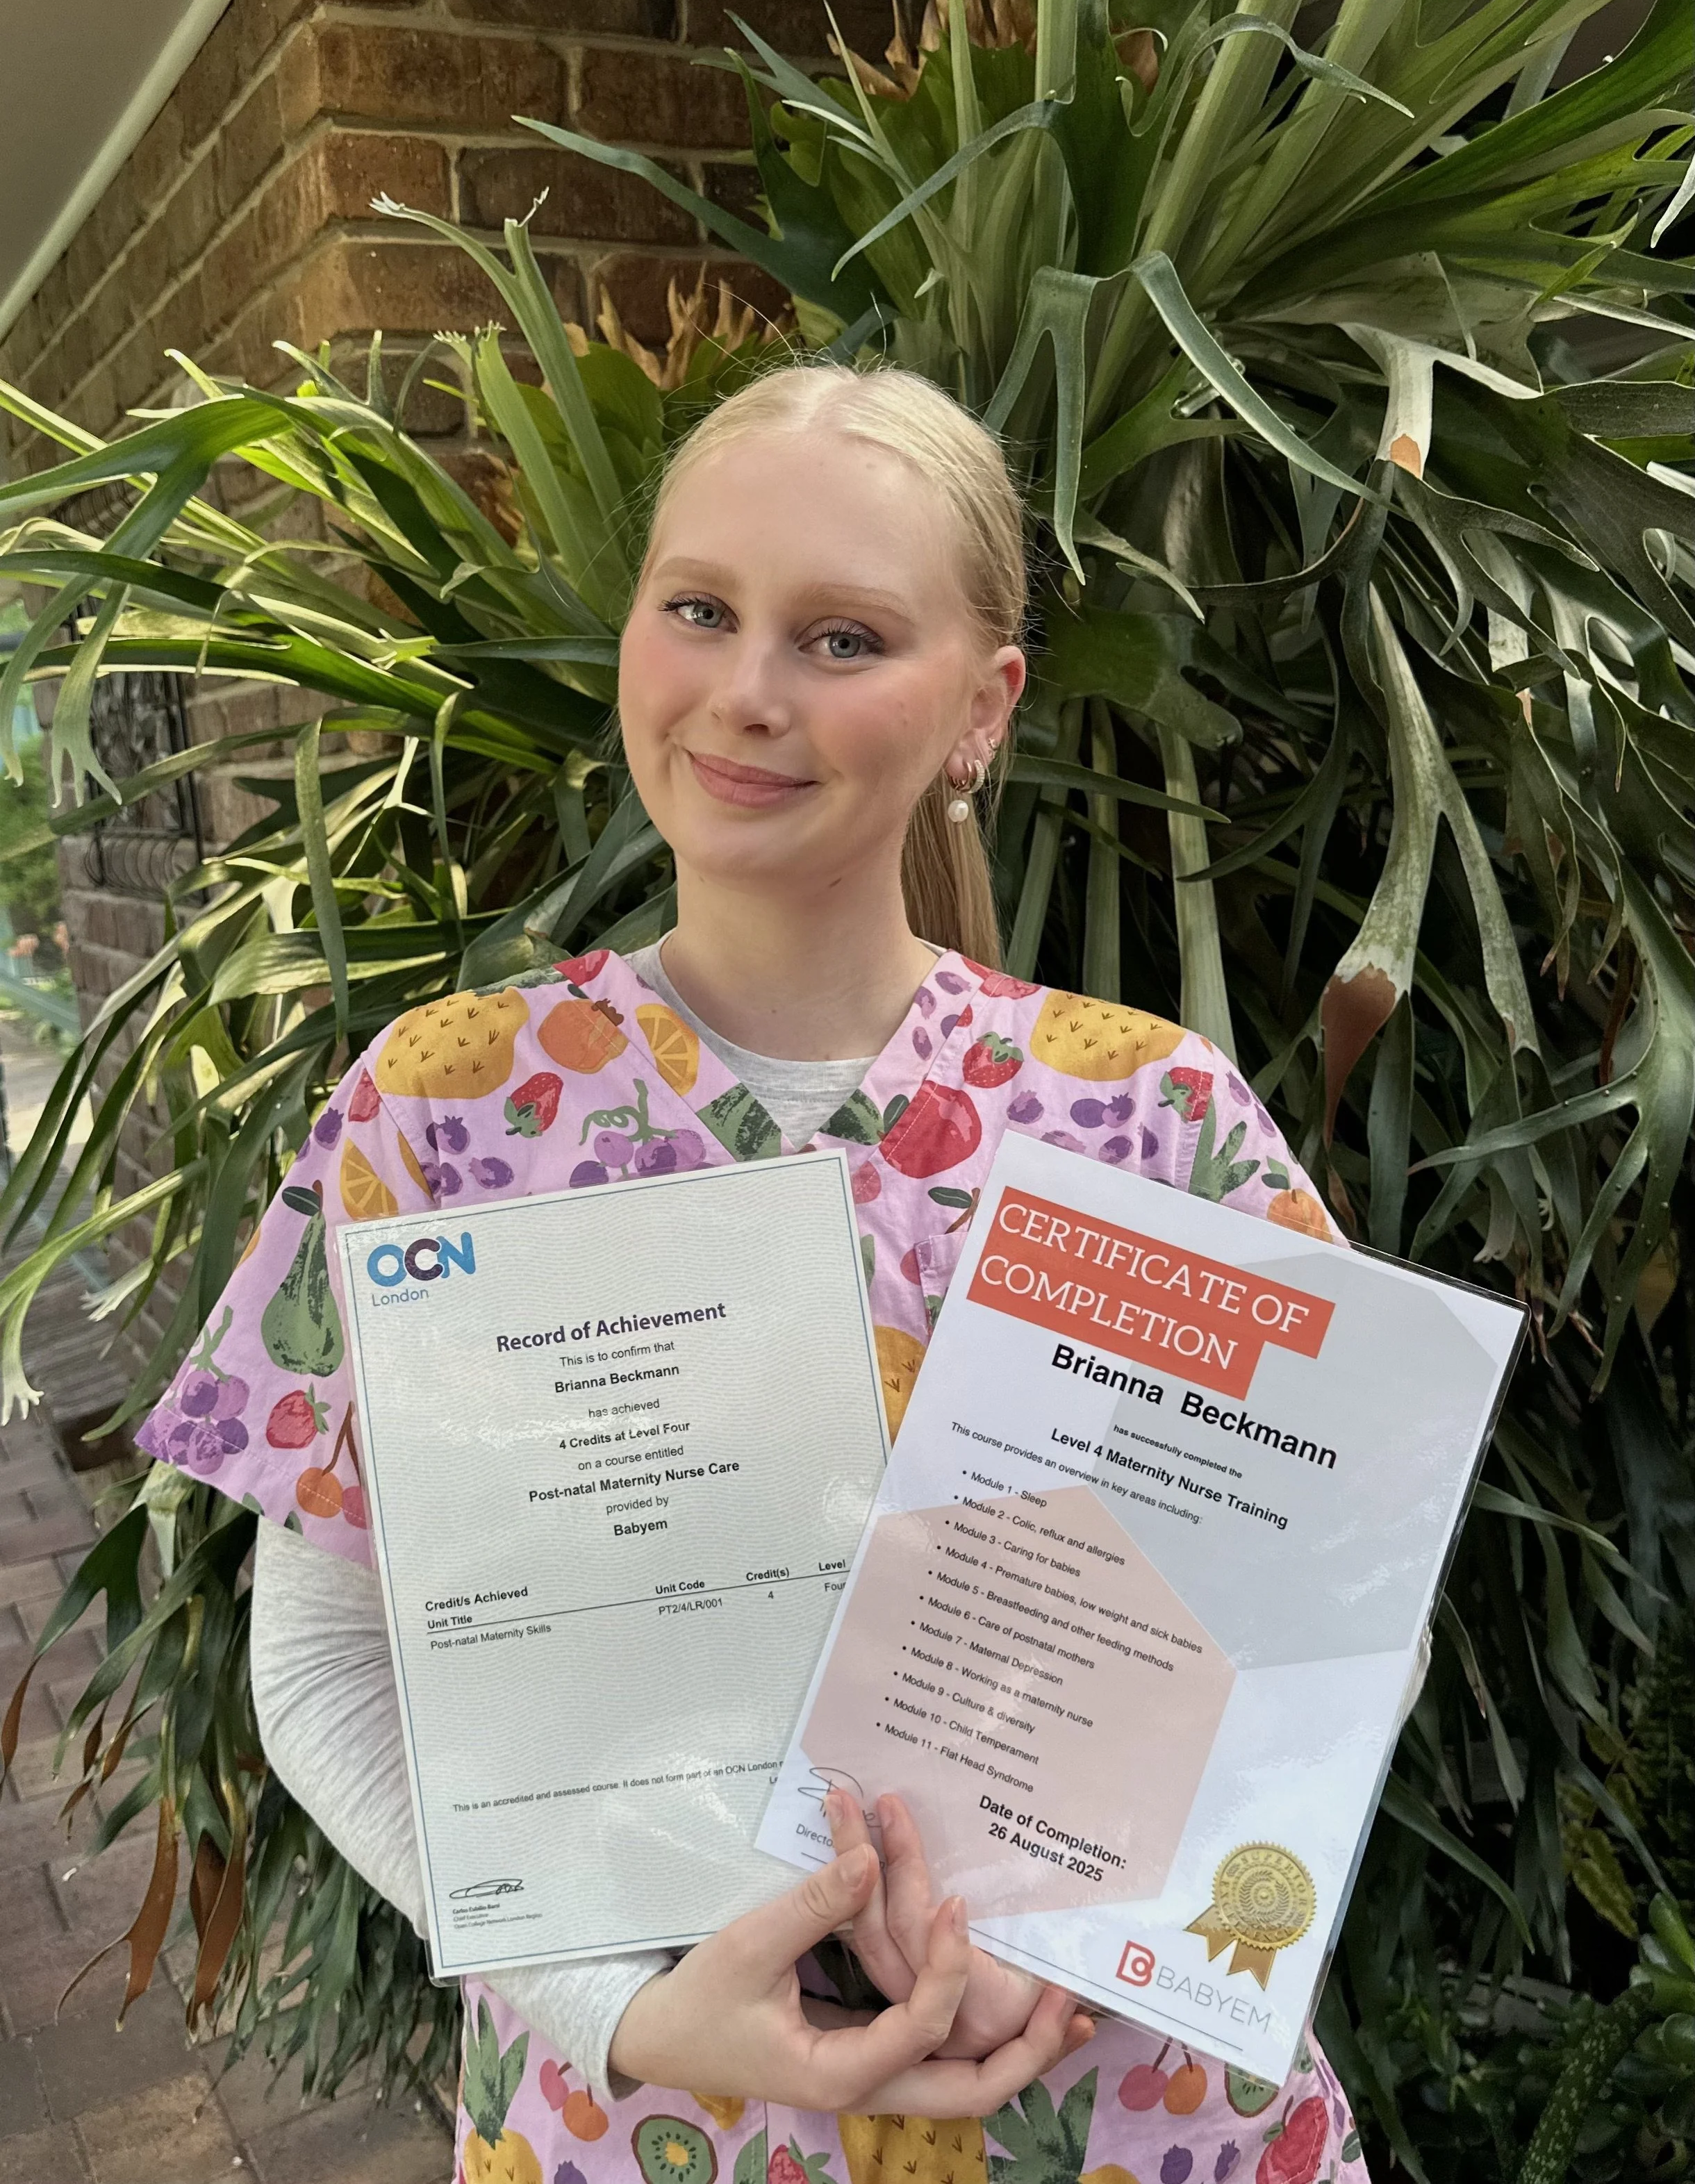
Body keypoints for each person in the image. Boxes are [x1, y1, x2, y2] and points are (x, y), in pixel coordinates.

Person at [138, 363, 1368, 2183]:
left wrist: (1146, 1926)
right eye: (699, 605)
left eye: (844, 635)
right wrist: (614, 2005)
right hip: (659, 2119)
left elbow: (1326, 1615)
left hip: (1115, 2102)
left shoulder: (1149, 1120)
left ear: (982, 703)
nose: (747, 690)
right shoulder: (447, 1114)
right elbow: (323, 1662)